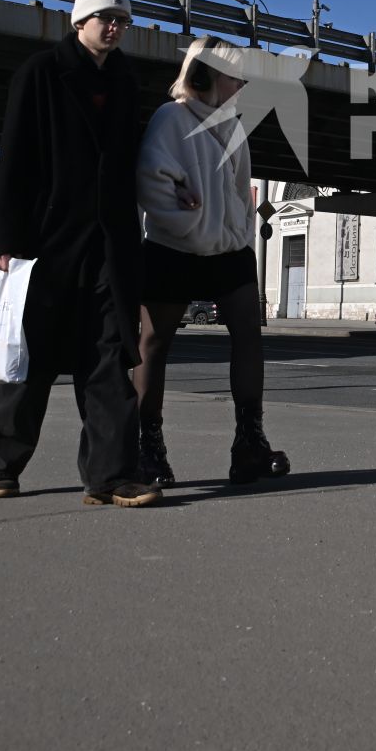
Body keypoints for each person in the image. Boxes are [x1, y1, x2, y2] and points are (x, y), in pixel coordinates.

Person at [0, 0, 160, 508]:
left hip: (109, 243)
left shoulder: (127, 82)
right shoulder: (40, 73)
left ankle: (111, 476)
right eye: (106, 18)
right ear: (79, 21)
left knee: (108, 355)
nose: (114, 28)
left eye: (122, 21)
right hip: (45, 242)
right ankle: (4, 465)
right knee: (30, 354)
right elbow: (13, 159)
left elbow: (132, 163)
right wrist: (7, 239)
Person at [133, 36, 288, 486]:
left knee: (249, 336)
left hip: (230, 250)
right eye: (234, 76)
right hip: (173, 249)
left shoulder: (234, 127)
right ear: (205, 75)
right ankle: (150, 449)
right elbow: (151, 185)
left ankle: (249, 444)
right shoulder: (171, 118)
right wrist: (194, 227)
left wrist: (237, 235)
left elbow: (242, 194)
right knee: (153, 345)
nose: (241, 85)